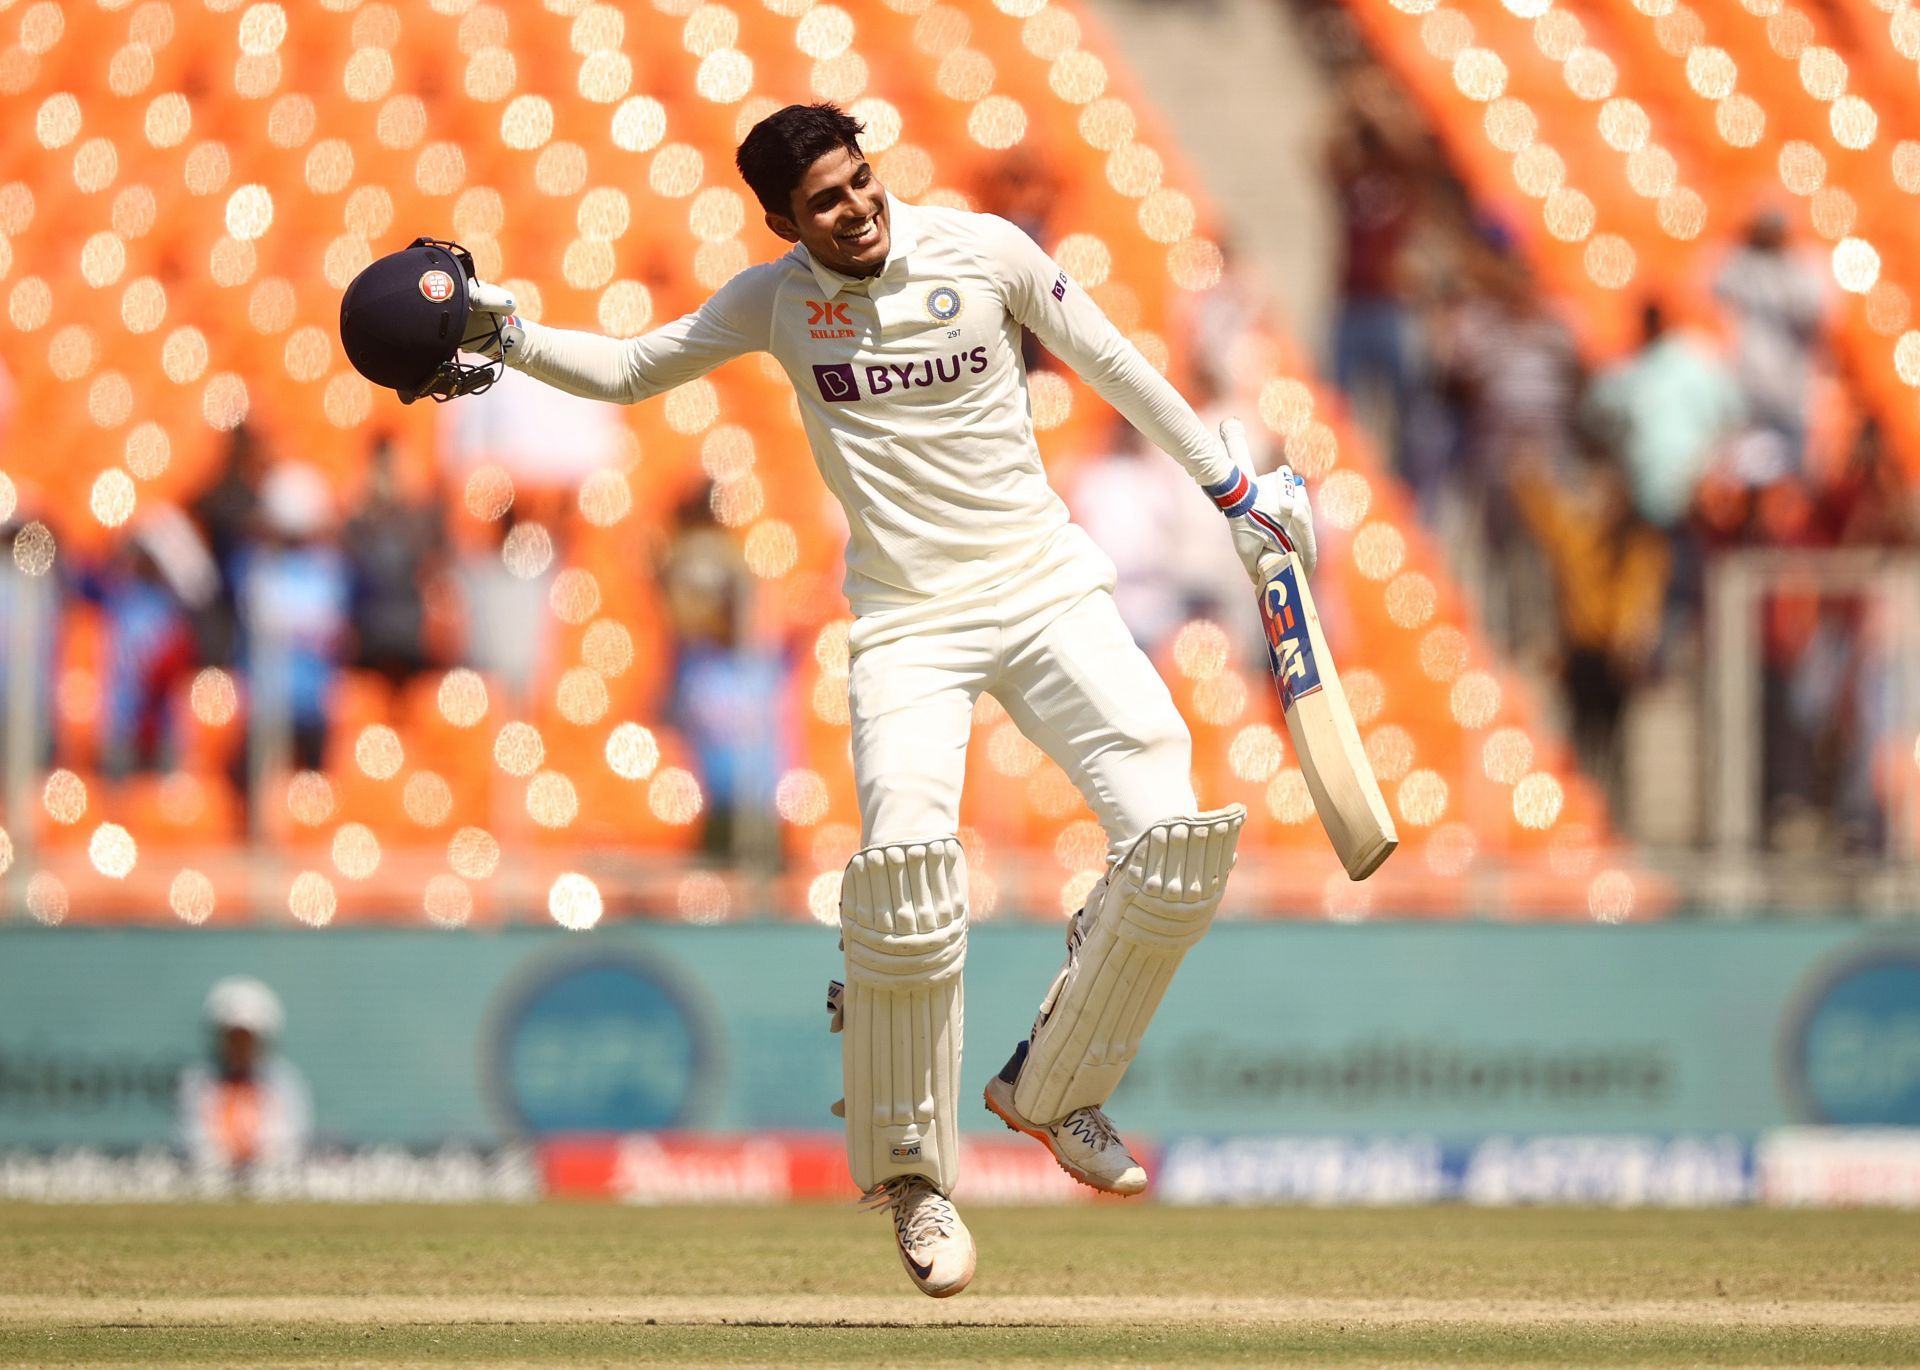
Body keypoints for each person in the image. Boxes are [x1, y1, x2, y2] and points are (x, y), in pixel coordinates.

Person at [447, 103, 1315, 1297]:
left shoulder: (987, 251)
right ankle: (914, 1181)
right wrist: (506, 331)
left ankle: (1053, 1088)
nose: (855, 209)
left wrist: (1231, 486)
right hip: (909, 621)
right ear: (781, 222)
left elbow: (1116, 361)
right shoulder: (772, 303)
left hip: (1047, 586)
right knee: (906, 877)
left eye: (860, 183)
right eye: (825, 202)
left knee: (1174, 843)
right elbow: (636, 369)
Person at [176, 976, 313, 1192]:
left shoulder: (284, 1082)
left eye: (246, 1039)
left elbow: (288, 1142)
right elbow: (195, 1141)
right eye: (232, 1038)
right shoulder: (198, 1082)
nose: (239, 1047)